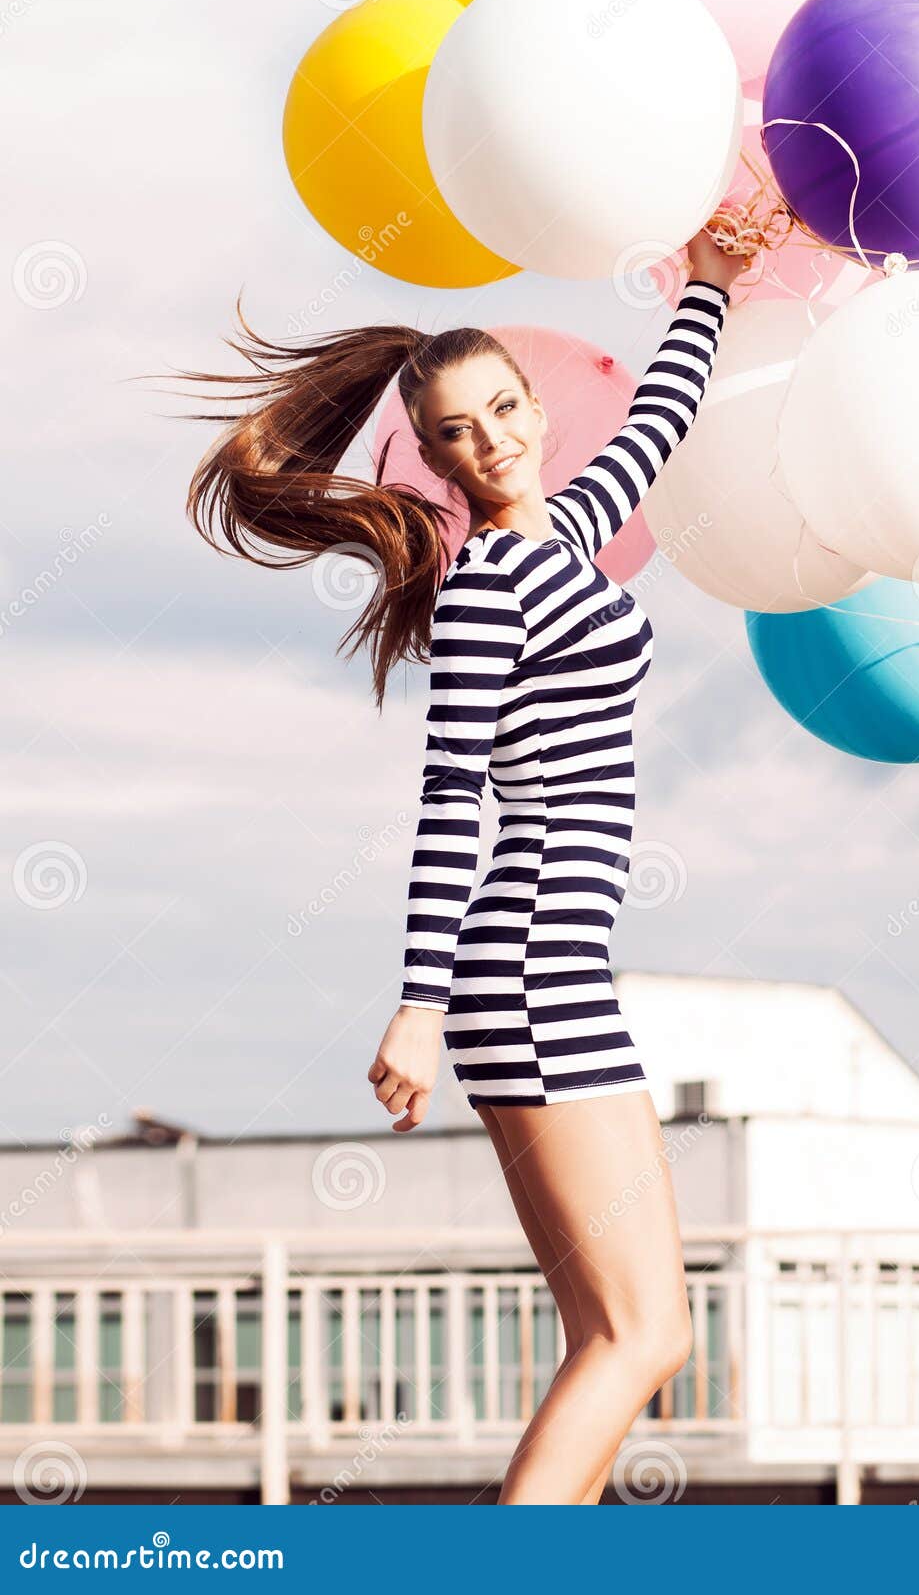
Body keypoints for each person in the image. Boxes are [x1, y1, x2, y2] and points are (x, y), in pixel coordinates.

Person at [175, 226, 748, 1501]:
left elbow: (658, 419)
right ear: (426, 456)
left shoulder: (573, 531)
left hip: (556, 969)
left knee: (635, 1331)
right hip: (527, 964)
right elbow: (450, 796)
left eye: (501, 410)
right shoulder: (488, 579)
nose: (486, 441)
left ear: (539, 407)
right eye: (453, 432)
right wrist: (421, 1006)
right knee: (637, 1332)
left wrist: (711, 278)